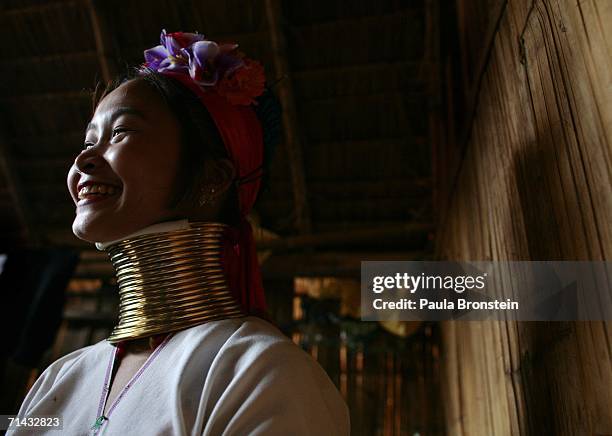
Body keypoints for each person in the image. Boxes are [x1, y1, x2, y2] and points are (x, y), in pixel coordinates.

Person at [8, 30, 350, 436]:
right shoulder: (59, 379)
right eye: (88, 139)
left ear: (212, 177)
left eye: (121, 133)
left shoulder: (261, 372)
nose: (84, 158)